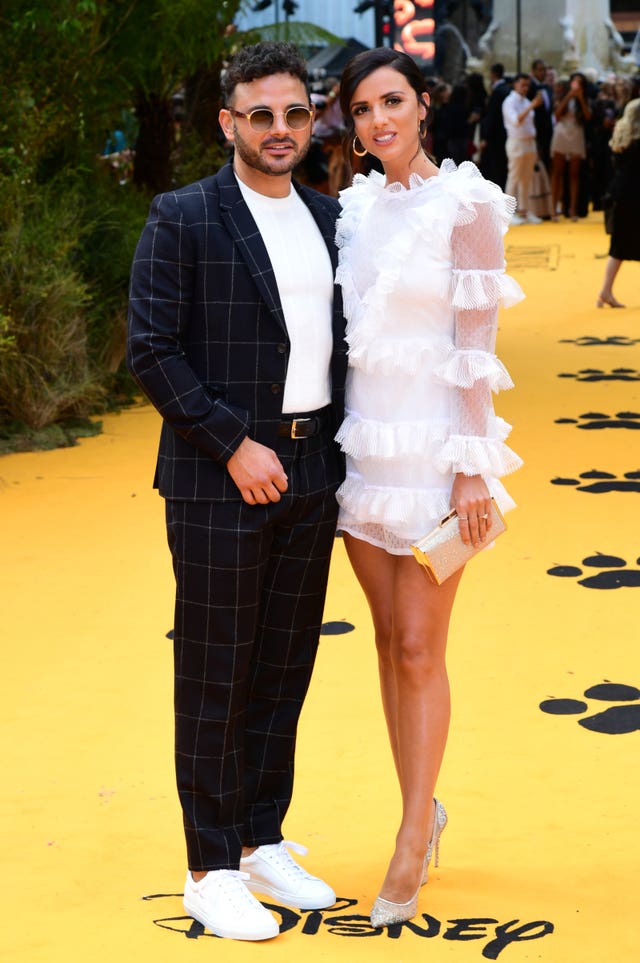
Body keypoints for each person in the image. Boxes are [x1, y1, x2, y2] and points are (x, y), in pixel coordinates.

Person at [127, 41, 347, 942]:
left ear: (310, 118)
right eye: (261, 115)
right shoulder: (183, 216)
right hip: (224, 480)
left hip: (315, 471)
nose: (280, 130)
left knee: (283, 668)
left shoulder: (334, 218)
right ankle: (208, 865)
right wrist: (231, 444)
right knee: (216, 671)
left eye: (295, 113)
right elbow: (152, 349)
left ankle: (261, 838)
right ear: (228, 123)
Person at [335, 47, 523, 929]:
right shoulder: (350, 210)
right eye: (365, 109)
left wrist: (473, 466)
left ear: (423, 106)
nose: (381, 121)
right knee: (386, 642)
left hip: (439, 454)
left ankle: (414, 832)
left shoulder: (470, 204)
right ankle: (424, 803)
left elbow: (477, 350)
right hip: (364, 453)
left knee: (421, 645)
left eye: (394, 101)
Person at [597, 98, 640, 308]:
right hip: (634, 197)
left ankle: (605, 290)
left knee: (619, 246)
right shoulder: (637, 144)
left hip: (620, 195)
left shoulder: (621, 141)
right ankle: (605, 291)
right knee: (620, 246)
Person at [502, 73, 544, 224]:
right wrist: (532, 105)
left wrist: (530, 105)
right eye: (523, 85)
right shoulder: (509, 102)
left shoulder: (526, 101)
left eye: (527, 85)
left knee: (526, 179)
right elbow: (516, 121)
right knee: (514, 177)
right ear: (515, 84)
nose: (526, 88)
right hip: (516, 142)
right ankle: (508, 214)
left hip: (529, 142)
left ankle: (524, 211)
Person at [549, 72, 592, 222]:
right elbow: (557, 114)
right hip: (561, 132)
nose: (576, 84)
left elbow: (587, 117)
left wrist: (579, 97)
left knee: (574, 174)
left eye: (579, 82)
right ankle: (553, 209)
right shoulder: (562, 96)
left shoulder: (584, 99)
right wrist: (569, 96)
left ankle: (572, 209)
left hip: (576, 133)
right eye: (574, 81)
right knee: (557, 173)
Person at [478, 63, 509, 189]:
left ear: (493, 74)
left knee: (496, 167)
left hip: (495, 137)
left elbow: (492, 116)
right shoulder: (507, 89)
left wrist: (485, 137)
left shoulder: (497, 92)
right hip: (505, 134)